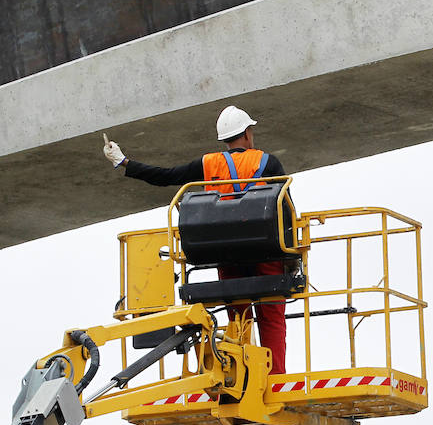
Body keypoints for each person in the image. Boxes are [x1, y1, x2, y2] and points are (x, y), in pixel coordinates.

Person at [102, 105, 291, 374]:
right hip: (267, 251)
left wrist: (124, 163)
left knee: (238, 317)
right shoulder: (267, 162)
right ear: (248, 133)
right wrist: (292, 253)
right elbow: (285, 208)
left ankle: (244, 376)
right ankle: (275, 378)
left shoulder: (208, 163)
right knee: (271, 317)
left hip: (226, 252)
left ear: (224, 139)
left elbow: (166, 176)